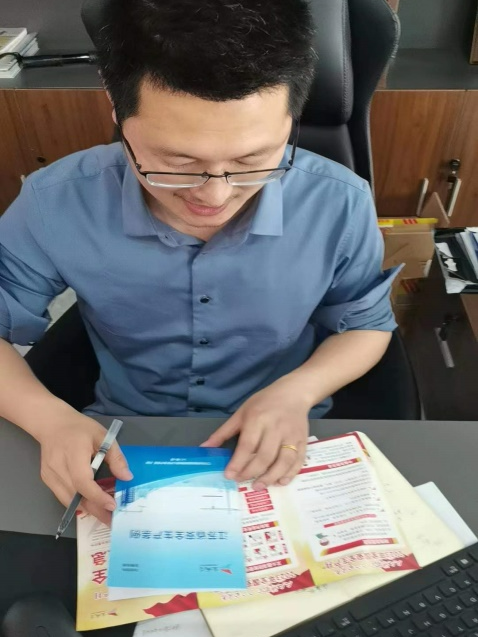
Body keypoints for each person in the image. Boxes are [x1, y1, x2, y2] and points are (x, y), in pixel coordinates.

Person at [0, 0, 398, 525]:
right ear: (116, 108)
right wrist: (48, 418)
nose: (214, 197)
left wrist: (297, 392)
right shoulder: (56, 202)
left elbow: (366, 324)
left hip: (282, 433)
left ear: (292, 118)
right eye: (177, 163)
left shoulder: (339, 202)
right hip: (122, 437)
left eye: (252, 160)